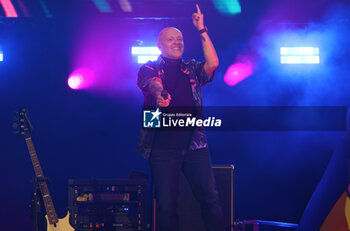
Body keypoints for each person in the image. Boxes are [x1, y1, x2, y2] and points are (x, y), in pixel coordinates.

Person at [136, 4, 224, 231]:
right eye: (171, 39)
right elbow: (153, 84)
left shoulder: (191, 68)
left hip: (195, 145)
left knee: (210, 197)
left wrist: (202, 30)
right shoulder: (148, 67)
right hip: (162, 146)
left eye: (180, 39)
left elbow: (213, 64)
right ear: (159, 45)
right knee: (166, 204)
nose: (177, 42)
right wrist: (159, 96)